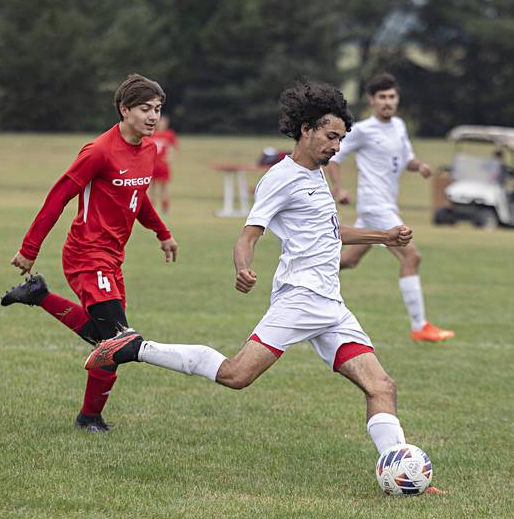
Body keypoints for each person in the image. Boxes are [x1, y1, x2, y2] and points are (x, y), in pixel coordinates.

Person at [83, 81, 443, 494]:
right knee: (236, 375)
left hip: (330, 304)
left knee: (382, 387)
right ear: (306, 130)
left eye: (342, 139)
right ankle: (134, 347)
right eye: (330, 137)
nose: (336, 147)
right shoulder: (281, 178)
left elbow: (329, 231)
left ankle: (402, 473)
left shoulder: (318, 175)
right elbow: (250, 234)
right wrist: (243, 267)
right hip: (302, 299)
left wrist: (384, 236)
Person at [0, 74, 177, 432]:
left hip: (112, 257)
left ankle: (40, 296)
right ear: (124, 110)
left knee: (110, 336)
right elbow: (59, 195)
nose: (153, 116)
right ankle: (89, 418)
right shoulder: (98, 151)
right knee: (117, 338)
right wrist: (29, 248)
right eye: (145, 109)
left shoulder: (149, 149)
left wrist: (162, 233)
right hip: (86, 254)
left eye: (157, 109)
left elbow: (137, 197)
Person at [325, 73, 454, 343]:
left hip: (383, 205)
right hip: (375, 205)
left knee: (349, 260)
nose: (387, 102)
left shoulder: (398, 126)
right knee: (412, 257)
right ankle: (420, 326)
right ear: (372, 100)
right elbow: (335, 156)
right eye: (382, 97)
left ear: (397, 99)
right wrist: (339, 188)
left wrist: (419, 166)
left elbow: (406, 159)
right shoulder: (362, 130)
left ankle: (301, 271)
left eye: (392, 97)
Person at [149, 114, 178, 214]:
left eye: (164, 122)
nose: (162, 124)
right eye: (160, 122)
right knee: (151, 187)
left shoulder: (169, 134)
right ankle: (151, 208)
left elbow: (173, 148)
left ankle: (165, 208)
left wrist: (169, 158)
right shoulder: (151, 133)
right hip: (152, 165)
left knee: (164, 187)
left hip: (163, 166)